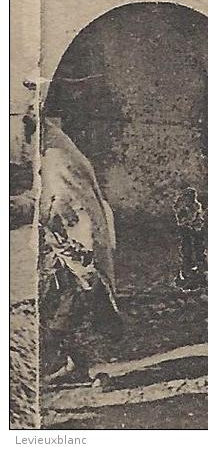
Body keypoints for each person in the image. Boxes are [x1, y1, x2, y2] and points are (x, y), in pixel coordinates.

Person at [38, 117, 123, 385]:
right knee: (57, 306)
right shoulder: (50, 145)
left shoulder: (57, 154)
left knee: (87, 300)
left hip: (77, 241)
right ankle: (76, 363)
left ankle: (98, 369)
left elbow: (68, 204)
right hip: (62, 244)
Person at [172, 187, 208, 291]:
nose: (190, 199)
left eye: (192, 197)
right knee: (187, 252)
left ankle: (200, 276)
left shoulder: (197, 206)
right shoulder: (182, 208)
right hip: (187, 233)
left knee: (199, 252)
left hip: (196, 233)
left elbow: (198, 218)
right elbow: (180, 220)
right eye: (188, 197)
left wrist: (195, 224)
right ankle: (186, 276)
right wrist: (186, 223)